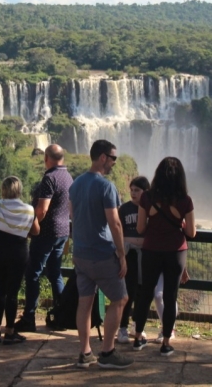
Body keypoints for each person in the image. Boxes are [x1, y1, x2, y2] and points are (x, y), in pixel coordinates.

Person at [69, 139, 133, 370]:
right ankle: (107, 352)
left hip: (81, 253)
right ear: (103, 157)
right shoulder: (106, 186)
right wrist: (121, 254)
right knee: (120, 299)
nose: (115, 163)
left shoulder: (75, 184)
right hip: (102, 254)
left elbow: (73, 217)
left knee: (84, 303)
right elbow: (115, 223)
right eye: (113, 158)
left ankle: (85, 353)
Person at [132, 157, 196, 357]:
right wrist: (181, 225)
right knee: (170, 297)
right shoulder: (185, 200)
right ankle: (166, 343)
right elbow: (192, 233)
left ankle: (138, 337)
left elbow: (140, 228)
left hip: (151, 250)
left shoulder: (147, 198)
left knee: (145, 295)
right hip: (176, 252)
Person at [15, 144, 73, 333]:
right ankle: (63, 314)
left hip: (46, 232)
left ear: (47, 158)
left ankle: (29, 317)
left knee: (33, 274)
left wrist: (33, 227)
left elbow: (42, 209)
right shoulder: (67, 176)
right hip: (63, 231)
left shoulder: (49, 178)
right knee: (55, 272)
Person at [0, 176, 40, 344]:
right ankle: (9, 331)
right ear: (19, 190)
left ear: (3, 189)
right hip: (18, 252)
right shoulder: (29, 209)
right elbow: (36, 231)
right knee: (13, 293)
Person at [117, 176, 150, 344]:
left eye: (137, 190)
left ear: (145, 192)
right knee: (127, 291)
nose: (133, 193)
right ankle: (121, 327)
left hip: (144, 256)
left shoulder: (150, 208)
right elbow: (118, 230)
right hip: (128, 255)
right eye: (132, 190)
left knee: (141, 292)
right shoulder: (124, 209)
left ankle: (138, 326)